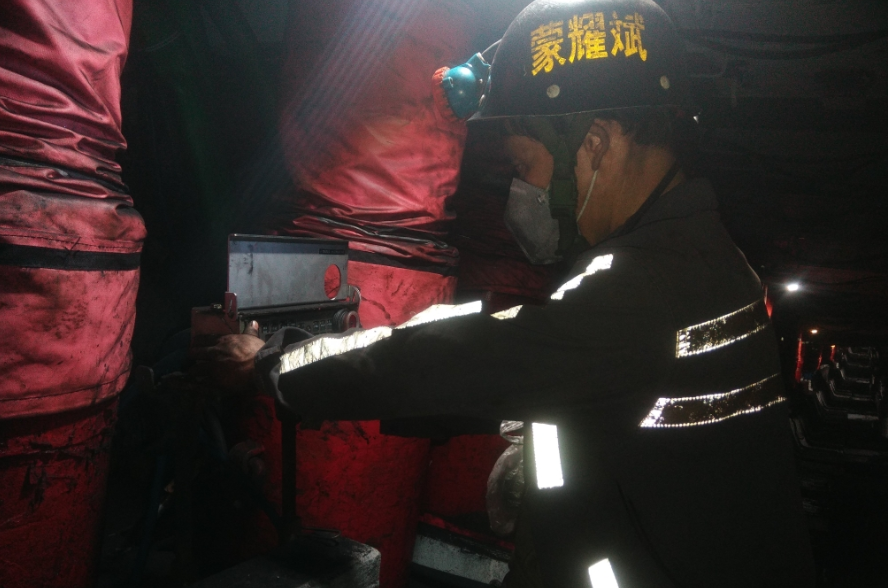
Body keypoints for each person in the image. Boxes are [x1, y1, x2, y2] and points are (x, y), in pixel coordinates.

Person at [200, 0, 816, 585]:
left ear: (596, 144)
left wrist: (271, 364)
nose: (523, 192)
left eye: (525, 167)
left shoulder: (644, 288)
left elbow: (458, 357)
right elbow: (553, 363)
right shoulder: (706, 261)